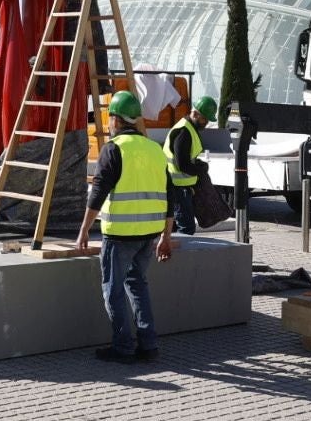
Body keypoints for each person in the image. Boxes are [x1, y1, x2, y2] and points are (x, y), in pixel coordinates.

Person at [76, 91, 174, 364]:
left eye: (109, 118)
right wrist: (165, 237)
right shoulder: (155, 149)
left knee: (113, 289)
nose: (108, 124)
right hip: (149, 234)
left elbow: (98, 193)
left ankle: (123, 347)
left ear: (116, 120)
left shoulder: (114, 149)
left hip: (120, 234)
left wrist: (84, 229)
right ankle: (149, 344)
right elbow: (170, 195)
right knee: (137, 283)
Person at [166, 96, 217, 236]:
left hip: (180, 186)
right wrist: (200, 170)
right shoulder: (184, 132)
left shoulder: (188, 129)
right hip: (178, 188)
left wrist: (198, 165)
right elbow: (182, 164)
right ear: (194, 114)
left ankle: (172, 253)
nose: (206, 123)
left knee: (178, 227)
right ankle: (180, 256)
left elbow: (186, 159)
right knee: (186, 228)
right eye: (204, 119)